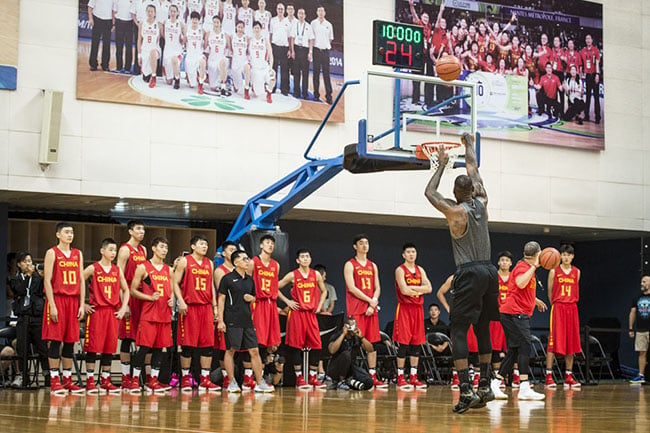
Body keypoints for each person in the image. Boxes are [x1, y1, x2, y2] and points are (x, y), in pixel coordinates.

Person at [424, 133, 497, 413]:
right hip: (490, 271)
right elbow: (473, 169)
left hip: (468, 272)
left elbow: (430, 194)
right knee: (482, 327)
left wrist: (441, 164)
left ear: (456, 192)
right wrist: (469, 146)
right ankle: (486, 385)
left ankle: (466, 390)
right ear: (472, 191)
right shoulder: (483, 200)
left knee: (458, 329)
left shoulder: (455, 211)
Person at [490, 241, 545, 401]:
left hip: (512, 313)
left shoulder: (524, 267)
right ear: (538, 254)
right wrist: (535, 267)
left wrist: (534, 300)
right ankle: (524, 386)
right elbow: (521, 283)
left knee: (514, 349)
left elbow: (518, 289)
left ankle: (495, 384)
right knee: (525, 345)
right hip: (515, 314)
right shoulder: (523, 267)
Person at [217, 250, 275, 393]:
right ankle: (231, 382)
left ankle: (260, 382)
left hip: (247, 321)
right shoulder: (227, 279)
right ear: (236, 262)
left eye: (248, 258)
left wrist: (252, 299)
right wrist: (220, 320)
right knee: (231, 350)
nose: (247, 261)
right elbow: (221, 299)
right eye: (244, 259)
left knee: (254, 351)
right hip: (232, 320)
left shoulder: (250, 280)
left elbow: (254, 297)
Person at [42, 222, 86, 395]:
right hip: (58, 300)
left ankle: (67, 380)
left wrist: (82, 304)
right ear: (58, 234)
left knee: (70, 342)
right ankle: (54, 381)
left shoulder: (77, 254)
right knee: (55, 341)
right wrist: (52, 304)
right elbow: (47, 280)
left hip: (73, 301)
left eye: (72, 232)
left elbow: (82, 280)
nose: (70, 235)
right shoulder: (52, 252)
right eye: (67, 232)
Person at [82, 238, 130, 394]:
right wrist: (82, 303)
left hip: (113, 312)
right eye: (110, 250)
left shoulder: (117, 270)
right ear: (102, 251)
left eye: (115, 250)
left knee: (109, 347)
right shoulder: (93, 268)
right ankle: (90, 381)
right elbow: (78, 282)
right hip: (97, 311)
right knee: (93, 346)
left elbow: (126, 290)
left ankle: (105, 380)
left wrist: (123, 308)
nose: (113, 253)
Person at [173, 235, 220, 393]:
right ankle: (185, 378)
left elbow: (211, 287)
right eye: (201, 244)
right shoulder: (185, 261)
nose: (204, 247)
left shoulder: (210, 263)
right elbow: (175, 282)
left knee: (207, 345)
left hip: (206, 307)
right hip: (190, 307)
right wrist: (180, 301)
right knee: (187, 344)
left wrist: (214, 307)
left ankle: (205, 379)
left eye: (206, 244)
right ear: (193, 246)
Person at [277, 249, 327, 389]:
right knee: (295, 346)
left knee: (316, 345)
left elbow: (324, 291)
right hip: (297, 313)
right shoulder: (293, 275)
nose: (305, 259)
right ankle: (299, 378)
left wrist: (320, 304)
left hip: (311, 314)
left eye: (307, 256)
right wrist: (287, 301)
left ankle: (312, 377)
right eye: (302, 257)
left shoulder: (315, 274)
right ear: (298, 260)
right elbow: (275, 286)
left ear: (310, 259)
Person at [129, 237, 174, 394]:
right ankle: (134, 380)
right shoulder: (143, 268)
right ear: (153, 248)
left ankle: (153, 381)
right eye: (161, 247)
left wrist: (172, 300)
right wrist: (149, 298)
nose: (164, 250)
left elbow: (172, 291)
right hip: (149, 314)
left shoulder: (169, 269)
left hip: (164, 314)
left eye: (166, 248)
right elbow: (133, 290)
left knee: (159, 349)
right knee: (144, 348)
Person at [343, 234, 387, 389]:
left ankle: (373, 376)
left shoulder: (372, 265)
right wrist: (370, 301)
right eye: (361, 243)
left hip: (371, 310)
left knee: (372, 344)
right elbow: (352, 287)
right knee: (354, 344)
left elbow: (378, 287)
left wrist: (373, 303)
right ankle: (350, 375)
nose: (364, 245)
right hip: (356, 309)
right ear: (355, 246)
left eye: (366, 243)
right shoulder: (350, 264)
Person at [393, 243, 432, 390]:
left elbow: (429, 288)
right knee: (403, 344)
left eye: (413, 251)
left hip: (418, 309)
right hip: (404, 309)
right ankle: (400, 378)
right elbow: (404, 290)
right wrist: (420, 289)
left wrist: (414, 289)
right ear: (403, 255)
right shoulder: (400, 270)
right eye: (408, 252)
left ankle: (414, 377)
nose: (411, 254)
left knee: (416, 344)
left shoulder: (420, 270)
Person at [545, 244, 582, 389]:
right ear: (560, 256)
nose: (566, 257)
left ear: (572, 256)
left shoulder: (577, 272)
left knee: (571, 342)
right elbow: (549, 291)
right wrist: (556, 305)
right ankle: (548, 376)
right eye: (564, 255)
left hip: (572, 308)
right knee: (553, 341)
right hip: (558, 307)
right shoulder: (554, 271)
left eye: (569, 255)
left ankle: (568, 376)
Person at [247, 234, 281, 389]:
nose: (270, 245)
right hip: (258, 303)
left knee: (270, 343)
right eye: (267, 242)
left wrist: (284, 303)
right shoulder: (254, 262)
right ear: (261, 245)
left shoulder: (276, 265)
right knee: (256, 340)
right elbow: (246, 282)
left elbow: (275, 286)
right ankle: (252, 377)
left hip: (271, 305)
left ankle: (263, 375)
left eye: (272, 243)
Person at [9, 251, 48, 388]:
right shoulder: (15, 279)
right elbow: (19, 291)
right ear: (19, 264)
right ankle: (24, 378)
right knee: (22, 349)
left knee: (43, 348)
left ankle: (48, 377)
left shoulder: (38, 278)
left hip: (36, 317)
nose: (29, 264)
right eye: (25, 261)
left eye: (30, 261)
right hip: (22, 318)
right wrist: (28, 276)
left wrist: (39, 275)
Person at [117, 219, 147, 391]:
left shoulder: (143, 250)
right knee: (127, 338)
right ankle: (125, 377)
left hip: (141, 295)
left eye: (143, 229)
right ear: (130, 231)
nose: (141, 232)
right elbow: (118, 278)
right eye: (138, 229)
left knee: (143, 337)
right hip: (128, 294)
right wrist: (124, 303)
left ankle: (143, 376)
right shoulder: (124, 250)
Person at [213, 240, 238, 389]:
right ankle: (226, 378)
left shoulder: (242, 269)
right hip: (227, 311)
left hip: (240, 312)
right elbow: (222, 293)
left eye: (235, 249)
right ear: (224, 253)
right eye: (230, 250)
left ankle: (245, 378)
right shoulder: (220, 270)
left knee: (240, 347)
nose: (233, 252)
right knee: (225, 346)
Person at [326, 316, 374, 390]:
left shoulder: (356, 337)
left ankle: (349, 382)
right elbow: (332, 350)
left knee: (369, 382)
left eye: (355, 326)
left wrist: (361, 337)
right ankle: (341, 381)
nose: (353, 328)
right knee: (346, 354)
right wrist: (343, 334)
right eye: (351, 326)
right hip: (336, 368)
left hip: (350, 368)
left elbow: (370, 349)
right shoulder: (337, 335)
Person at [628, 275, 650, 384]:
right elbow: (632, 312)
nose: (642, 283)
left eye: (644, 281)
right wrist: (630, 328)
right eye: (641, 281)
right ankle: (641, 375)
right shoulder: (637, 297)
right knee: (642, 352)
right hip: (641, 329)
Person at [310, 5, 333, 104]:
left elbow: (330, 39)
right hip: (316, 51)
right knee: (316, 74)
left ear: (325, 13)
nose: (320, 12)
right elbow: (311, 37)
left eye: (322, 11)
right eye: (319, 11)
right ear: (316, 12)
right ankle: (316, 94)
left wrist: (324, 46)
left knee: (326, 74)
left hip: (325, 52)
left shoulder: (329, 24)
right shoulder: (313, 23)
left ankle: (329, 96)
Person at [289, 7, 313, 100]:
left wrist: (310, 52)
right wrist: (292, 51)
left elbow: (311, 40)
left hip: (305, 50)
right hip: (297, 50)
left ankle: (305, 93)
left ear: (305, 15)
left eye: (302, 13)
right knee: (296, 73)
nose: (301, 15)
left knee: (305, 73)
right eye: (299, 13)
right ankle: (296, 92)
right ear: (297, 15)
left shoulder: (308, 26)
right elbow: (292, 38)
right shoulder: (295, 25)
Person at [249, 20, 275, 103]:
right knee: (257, 94)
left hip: (264, 67)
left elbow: (270, 55)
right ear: (253, 29)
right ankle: (254, 85)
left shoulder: (265, 40)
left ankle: (269, 93)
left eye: (258, 28)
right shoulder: (250, 40)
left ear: (261, 29)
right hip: (255, 69)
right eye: (255, 28)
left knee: (273, 77)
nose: (257, 30)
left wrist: (270, 67)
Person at [138, 4, 162, 88]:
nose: (150, 13)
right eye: (148, 11)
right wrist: (139, 55)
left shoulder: (159, 25)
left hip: (155, 49)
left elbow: (165, 37)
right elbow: (139, 40)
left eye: (152, 11)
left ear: (155, 13)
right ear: (146, 12)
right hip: (144, 50)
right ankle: (148, 75)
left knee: (152, 52)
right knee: (145, 78)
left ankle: (154, 76)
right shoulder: (142, 23)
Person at [206, 15, 231, 95]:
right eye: (214, 22)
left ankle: (223, 86)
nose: (216, 24)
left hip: (221, 58)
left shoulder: (225, 35)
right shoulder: (209, 34)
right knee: (213, 88)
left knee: (223, 62)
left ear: (220, 23)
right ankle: (215, 83)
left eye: (217, 22)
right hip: (212, 60)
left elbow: (229, 49)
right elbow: (205, 49)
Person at [269, 2, 290, 95]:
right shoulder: (273, 20)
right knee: (274, 69)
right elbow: (271, 34)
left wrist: (290, 49)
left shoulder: (288, 22)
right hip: (274, 46)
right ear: (276, 10)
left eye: (282, 9)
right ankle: (272, 88)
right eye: (279, 9)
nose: (280, 10)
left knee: (285, 69)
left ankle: (284, 90)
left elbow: (290, 37)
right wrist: (269, 47)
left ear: (284, 10)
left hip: (284, 48)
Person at [184, 11, 208, 94]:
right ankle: (190, 75)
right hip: (190, 56)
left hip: (198, 55)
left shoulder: (202, 31)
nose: (195, 21)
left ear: (199, 20)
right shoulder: (187, 30)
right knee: (192, 85)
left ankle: (201, 83)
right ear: (191, 19)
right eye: (193, 19)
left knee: (202, 62)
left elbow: (205, 44)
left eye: (196, 19)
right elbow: (184, 42)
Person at [162, 3, 185, 89]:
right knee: (168, 82)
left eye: (174, 11)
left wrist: (182, 41)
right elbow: (162, 34)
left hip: (176, 50)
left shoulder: (180, 24)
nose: (172, 13)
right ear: (169, 12)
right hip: (167, 50)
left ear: (178, 13)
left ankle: (177, 79)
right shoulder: (165, 22)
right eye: (171, 11)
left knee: (175, 60)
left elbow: (185, 37)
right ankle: (173, 76)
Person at [580, 34, 601, 124]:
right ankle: (587, 116)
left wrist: (597, 74)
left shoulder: (596, 50)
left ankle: (597, 117)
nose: (588, 40)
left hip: (594, 75)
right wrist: (581, 75)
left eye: (589, 38)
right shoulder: (582, 51)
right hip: (587, 76)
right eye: (586, 38)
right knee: (587, 97)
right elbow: (581, 65)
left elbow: (597, 63)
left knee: (596, 97)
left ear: (592, 40)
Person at [88, 0, 114, 72]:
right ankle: (93, 64)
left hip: (108, 21)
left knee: (106, 44)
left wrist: (113, 23)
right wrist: (90, 18)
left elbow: (113, 10)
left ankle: (105, 65)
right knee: (95, 42)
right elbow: (90, 6)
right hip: (97, 18)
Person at [230, 21, 252, 99]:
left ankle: (247, 88)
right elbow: (230, 49)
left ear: (244, 28)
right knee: (237, 89)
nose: (240, 29)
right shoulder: (232, 36)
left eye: (241, 27)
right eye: (238, 27)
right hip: (235, 61)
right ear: (236, 27)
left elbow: (248, 50)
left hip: (243, 60)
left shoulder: (246, 38)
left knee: (247, 68)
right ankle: (234, 83)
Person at [114, 0, 135, 73]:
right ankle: (118, 66)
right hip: (119, 22)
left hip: (129, 23)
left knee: (129, 46)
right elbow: (114, 11)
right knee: (119, 46)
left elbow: (134, 12)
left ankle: (127, 68)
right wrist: (114, 23)